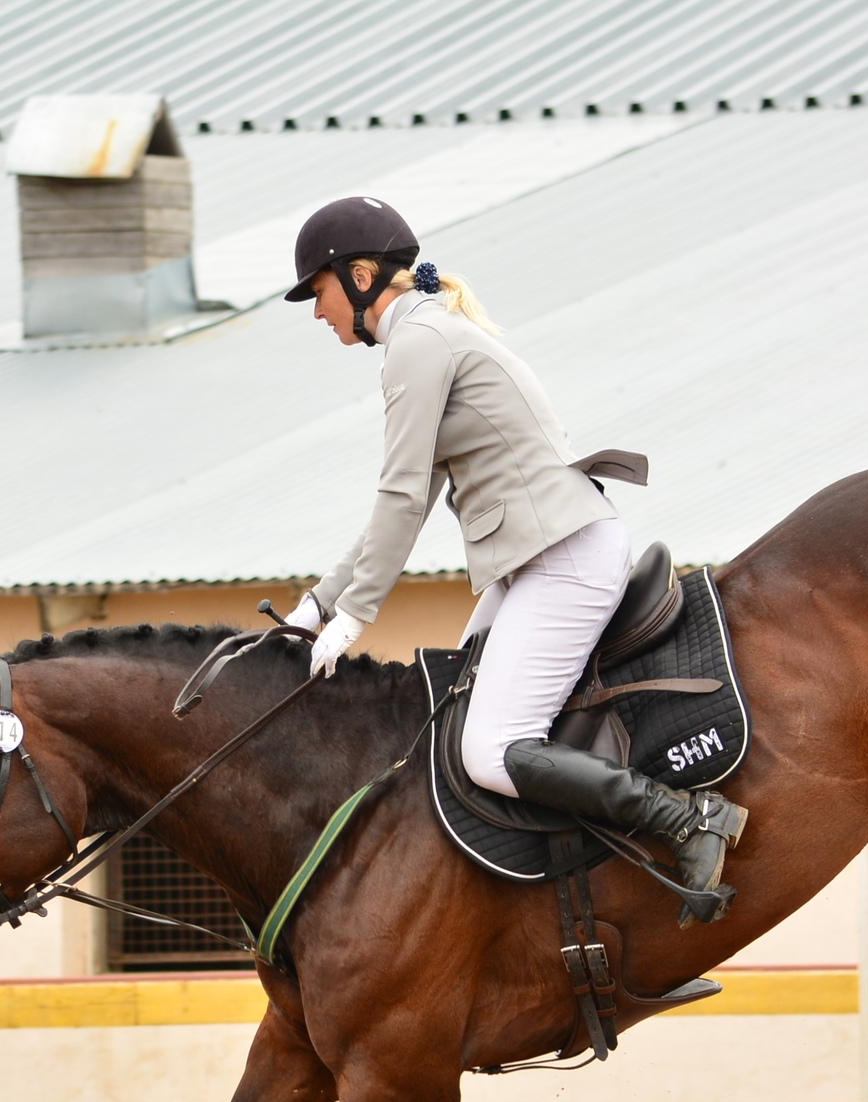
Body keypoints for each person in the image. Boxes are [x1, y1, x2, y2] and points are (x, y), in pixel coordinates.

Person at [278, 196, 746, 917]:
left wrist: (352, 618)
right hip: (537, 558)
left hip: (561, 557)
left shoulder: (418, 343)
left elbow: (402, 498)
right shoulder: (430, 333)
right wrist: (316, 605)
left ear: (362, 275)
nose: (317, 313)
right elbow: (411, 495)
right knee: (448, 728)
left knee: (491, 750)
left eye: (320, 292)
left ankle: (685, 817)